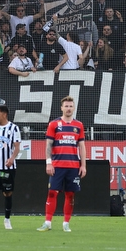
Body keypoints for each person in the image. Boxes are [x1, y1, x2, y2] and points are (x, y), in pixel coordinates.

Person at [38, 96, 86, 232]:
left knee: (70, 195)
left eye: (71, 106)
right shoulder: (54, 124)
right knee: (52, 192)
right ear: (61, 108)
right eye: (66, 106)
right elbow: (49, 145)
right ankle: (47, 222)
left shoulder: (79, 125)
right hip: (57, 165)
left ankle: (66, 223)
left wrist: (83, 165)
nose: (68, 108)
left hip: (73, 167)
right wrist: (49, 163)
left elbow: (82, 146)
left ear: (74, 107)